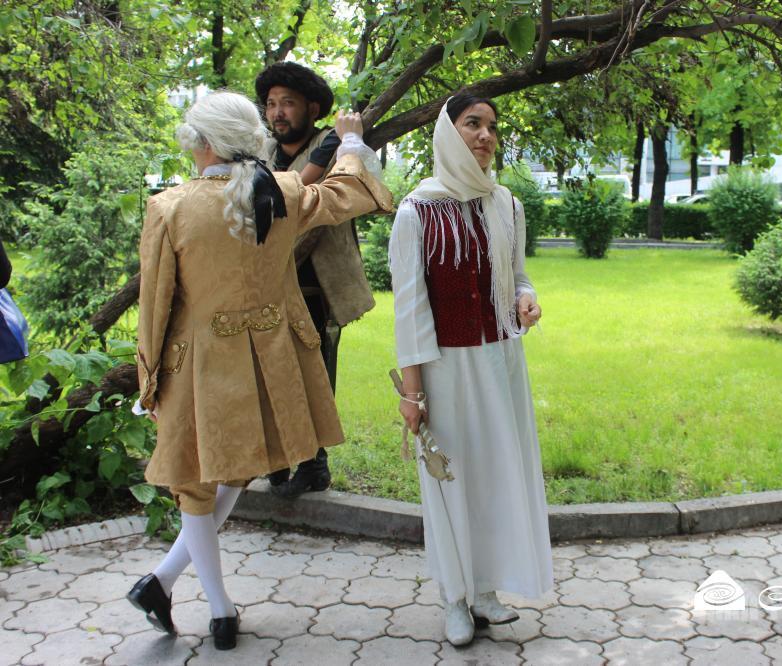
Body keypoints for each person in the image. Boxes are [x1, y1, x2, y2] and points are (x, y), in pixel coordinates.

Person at [126, 91, 391, 650]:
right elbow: (350, 192)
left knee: (200, 482)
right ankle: (177, 592)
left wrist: (148, 380)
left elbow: (155, 305)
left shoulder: (171, 207)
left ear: (202, 143)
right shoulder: (282, 191)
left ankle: (207, 605)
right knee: (227, 474)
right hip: (269, 358)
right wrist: (349, 141)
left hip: (199, 364)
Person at [388, 94, 552, 647]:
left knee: (495, 475)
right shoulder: (416, 212)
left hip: (501, 362)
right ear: (448, 133)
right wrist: (412, 393)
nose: (485, 135)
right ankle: (453, 598)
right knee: (450, 482)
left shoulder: (506, 205)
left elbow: (519, 275)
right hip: (445, 371)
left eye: (491, 127)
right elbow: (409, 309)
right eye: (472, 124)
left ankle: (485, 590)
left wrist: (526, 298)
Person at [253, 61, 378, 498]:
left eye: (287, 103)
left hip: (316, 287)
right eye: (271, 104)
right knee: (269, 373)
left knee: (314, 376)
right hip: (268, 285)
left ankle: (313, 465)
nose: (277, 112)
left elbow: (299, 196)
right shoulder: (263, 151)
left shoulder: (331, 144)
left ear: (311, 107)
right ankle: (277, 460)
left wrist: (350, 139)